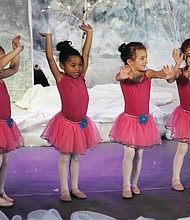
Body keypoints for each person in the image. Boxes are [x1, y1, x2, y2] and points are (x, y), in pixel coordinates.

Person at [39, 24, 101, 202]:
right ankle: (64, 190)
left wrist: (90, 33)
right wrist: (49, 39)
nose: (77, 69)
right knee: (65, 157)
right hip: (66, 125)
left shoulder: (81, 77)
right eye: (73, 65)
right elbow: (50, 58)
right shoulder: (61, 78)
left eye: (80, 65)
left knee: (76, 158)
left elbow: (86, 53)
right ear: (63, 66)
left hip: (81, 124)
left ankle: (75, 187)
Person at [109, 42, 174, 199]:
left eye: (146, 58)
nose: (145, 61)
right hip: (129, 121)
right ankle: (125, 184)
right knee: (129, 152)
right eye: (142, 58)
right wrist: (120, 76)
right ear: (130, 62)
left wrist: (169, 73)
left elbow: (160, 74)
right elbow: (118, 77)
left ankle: (134, 183)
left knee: (139, 154)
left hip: (143, 122)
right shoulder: (125, 74)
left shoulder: (148, 74)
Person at [0, 35, 24, 207]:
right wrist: (15, 50)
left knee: (5, 160)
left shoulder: (1, 77)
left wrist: (16, 49)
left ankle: (1, 190)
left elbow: (14, 68)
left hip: (4, 124)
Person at [165, 38, 190, 191]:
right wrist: (176, 64)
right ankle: (176, 179)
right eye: (189, 55)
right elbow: (170, 78)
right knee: (182, 149)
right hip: (185, 116)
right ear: (183, 56)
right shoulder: (180, 72)